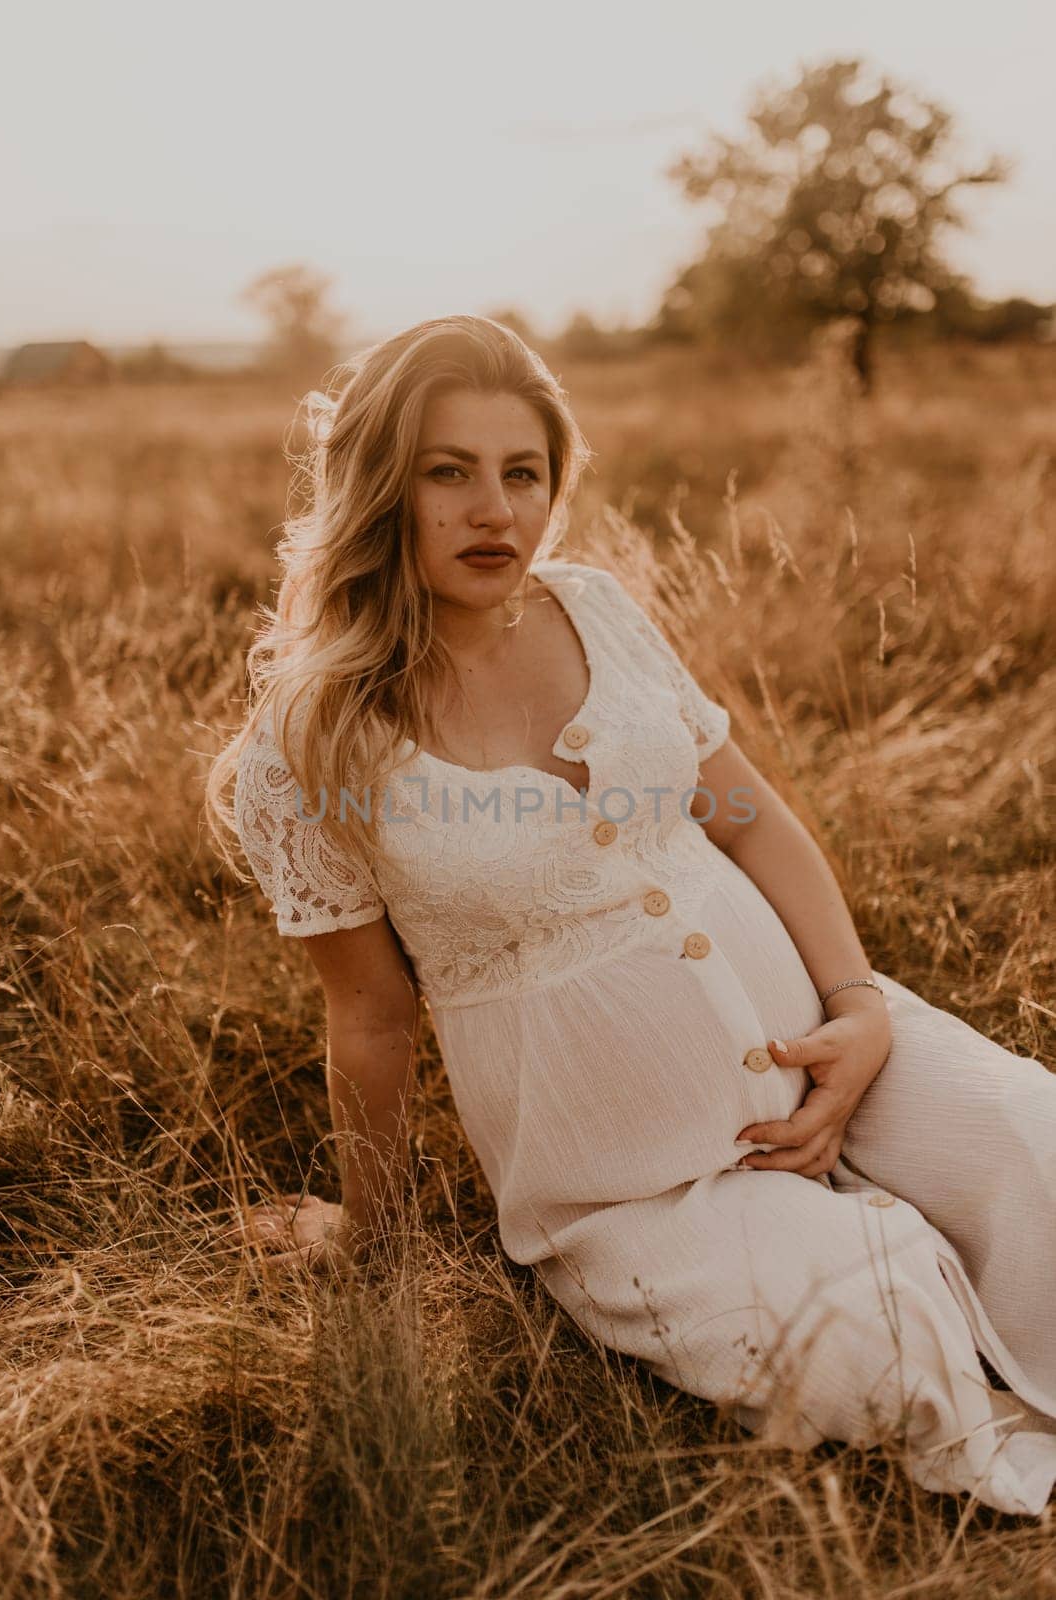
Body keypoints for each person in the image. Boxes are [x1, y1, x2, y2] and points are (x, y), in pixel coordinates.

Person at [206, 314, 1056, 1516]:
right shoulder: (309, 738)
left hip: (829, 1039)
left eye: (523, 472)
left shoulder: (592, 608)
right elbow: (371, 1014)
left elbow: (750, 819)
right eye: (448, 472)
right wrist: (375, 1235)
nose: (493, 510)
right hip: (627, 1176)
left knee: (1043, 1151)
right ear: (380, 487)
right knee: (879, 1336)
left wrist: (862, 1010)